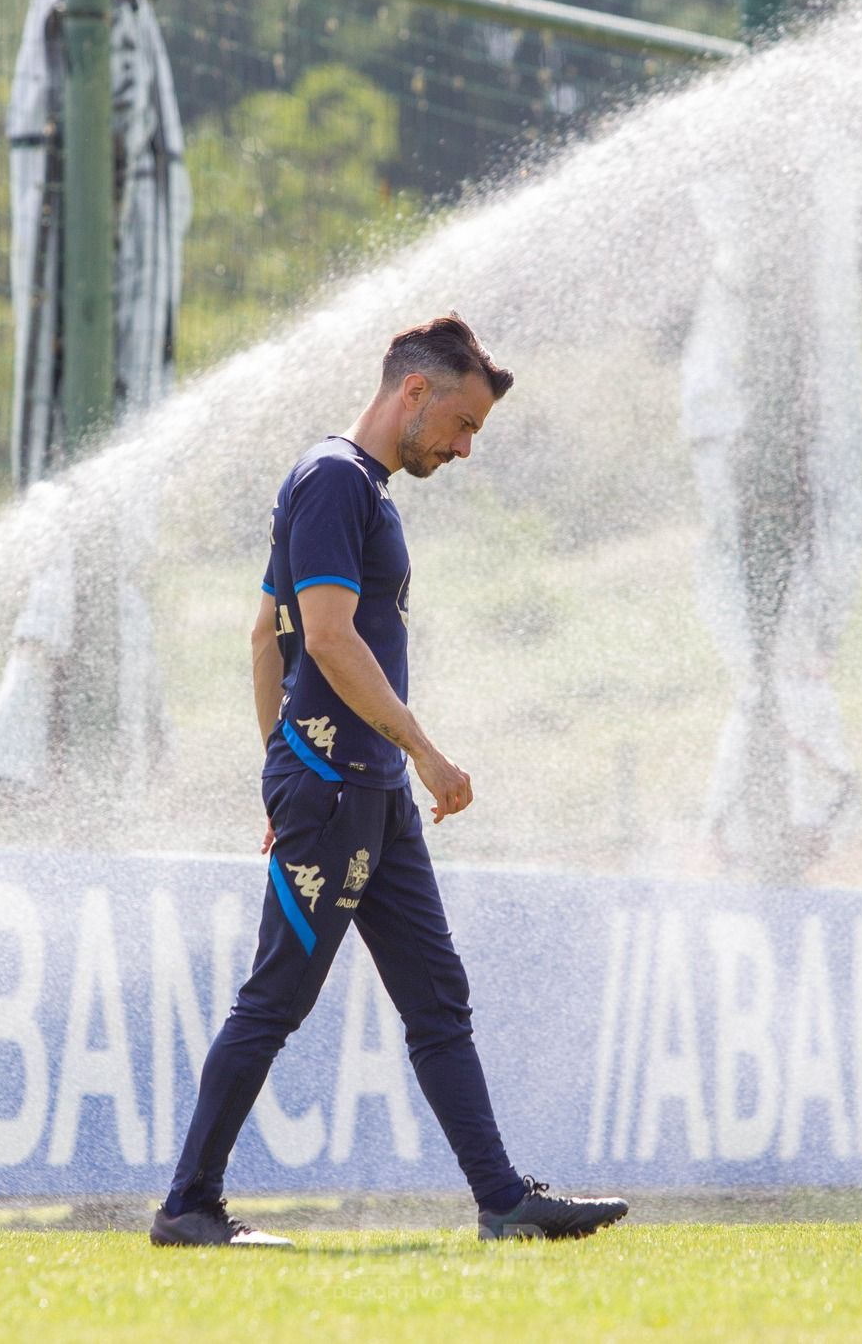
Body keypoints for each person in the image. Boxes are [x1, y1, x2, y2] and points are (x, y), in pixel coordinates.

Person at [151, 315, 630, 1248]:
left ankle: (503, 1200)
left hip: (359, 790)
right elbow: (324, 636)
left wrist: (278, 769)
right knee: (275, 1000)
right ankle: (188, 1205)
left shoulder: (352, 486)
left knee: (436, 997)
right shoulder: (335, 479)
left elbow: (265, 636)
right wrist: (419, 749)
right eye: (461, 424)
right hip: (343, 786)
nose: (462, 448)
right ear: (414, 390)